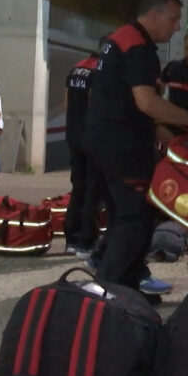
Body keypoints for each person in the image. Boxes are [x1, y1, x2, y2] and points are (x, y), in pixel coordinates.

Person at [84, 0, 188, 295]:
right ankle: (104, 293)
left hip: (103, 142)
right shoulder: (139, 48)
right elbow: (146, 102)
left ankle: (127, 289)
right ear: (155, 14)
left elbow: (125, 102)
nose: (176, 27)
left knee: (127, 219)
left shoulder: (119, 39)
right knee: (134, 221)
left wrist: (171, 140)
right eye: (173, 20)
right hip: (123, 148)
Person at [63, 44, 111, 259]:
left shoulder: (77, 68)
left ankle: (70, 238)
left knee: (78, 186)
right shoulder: (100, 70)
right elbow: (96, 105)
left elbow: (67, 102)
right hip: (92, 137)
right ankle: (86, 239)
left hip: (73, 134)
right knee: (94, 188)